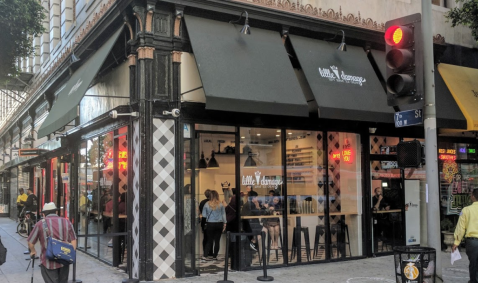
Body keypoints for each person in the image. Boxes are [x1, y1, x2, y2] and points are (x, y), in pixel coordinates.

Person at [27, 202, 77, 283]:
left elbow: (30, 242)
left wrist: (33, 251)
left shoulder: (40, 224)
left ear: (44, 214)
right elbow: (74, 240)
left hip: (48, 263)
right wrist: (69, 254)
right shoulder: (67, 222)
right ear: (56, 212)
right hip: (64, 261)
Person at [452, 188, 478, 283]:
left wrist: (456, 242)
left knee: (474, 264)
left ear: (473, 197)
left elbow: (460, 227)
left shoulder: (466, 210)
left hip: (472, 242)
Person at [201, 190, 226, 261]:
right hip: (219, 224)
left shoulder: (206, 204)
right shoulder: (220, 204)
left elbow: (204, 216)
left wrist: (203, 225)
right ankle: (215, 256)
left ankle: (205, 255)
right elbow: (223, 214)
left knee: (209, 240)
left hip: (210, 224)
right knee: (217, 241)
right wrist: (225, 223)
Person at [199, 189, 213, 258]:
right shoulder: (213, 202)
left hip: (204, 221)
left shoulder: (202, 202)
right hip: (211, 221)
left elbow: (200, 212)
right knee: (211, 238)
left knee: (205, 237)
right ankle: (210, 252)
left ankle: (205, 252)